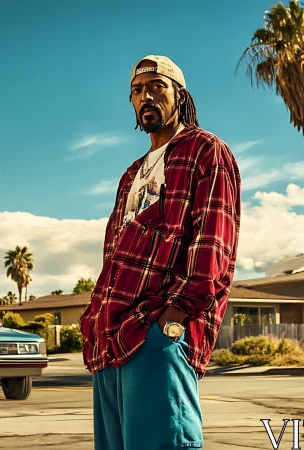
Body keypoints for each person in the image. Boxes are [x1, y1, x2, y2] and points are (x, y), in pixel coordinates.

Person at [79, 55, 241, 450]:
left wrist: (173, 318)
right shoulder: (131, 174)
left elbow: (214, 240)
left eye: (157, 87)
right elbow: (113, 252)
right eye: (137, 91)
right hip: (111, 337)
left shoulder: (206, 150)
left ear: (179, 96)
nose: (146, 96)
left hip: (158, 334)